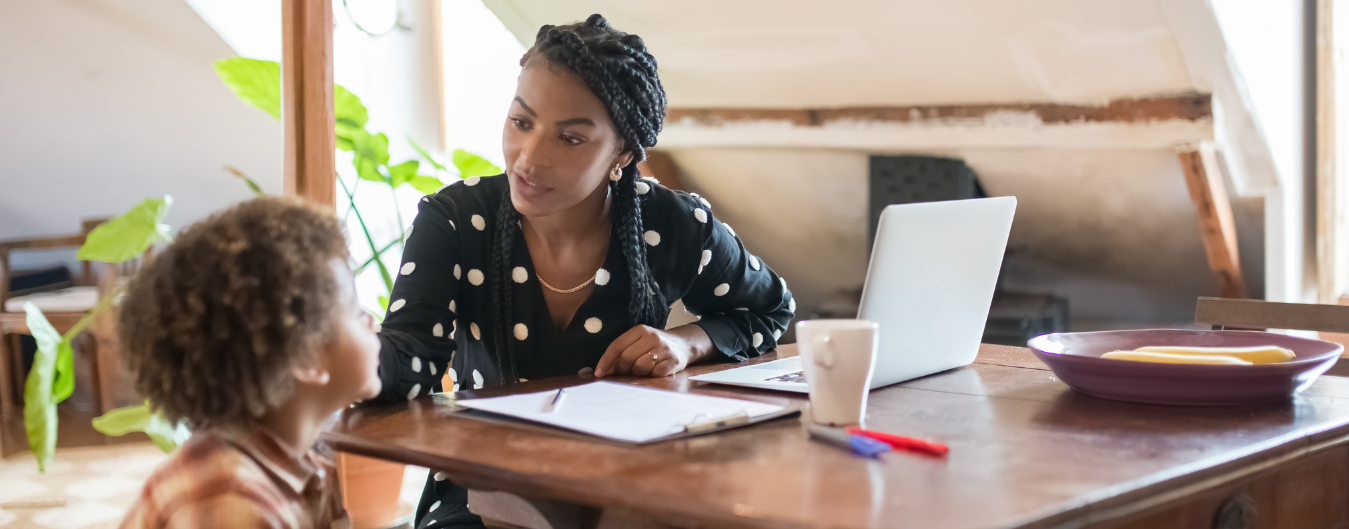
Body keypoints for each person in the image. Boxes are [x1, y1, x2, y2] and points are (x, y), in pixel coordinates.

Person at [374, 14, 795, 529]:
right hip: (485, 491)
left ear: (622, 153)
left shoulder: (673, 223)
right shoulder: (456, 220)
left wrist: (688, 343)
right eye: (521, 122)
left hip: (625, 488)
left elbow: (770, 308)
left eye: (570, 139)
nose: (529, 158)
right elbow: (412, 359)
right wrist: (353, 352)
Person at [119, 197, 382, 528]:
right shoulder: (231, 502)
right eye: (356, 313)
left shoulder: (301, 467)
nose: (372, 322)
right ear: (306, 356)